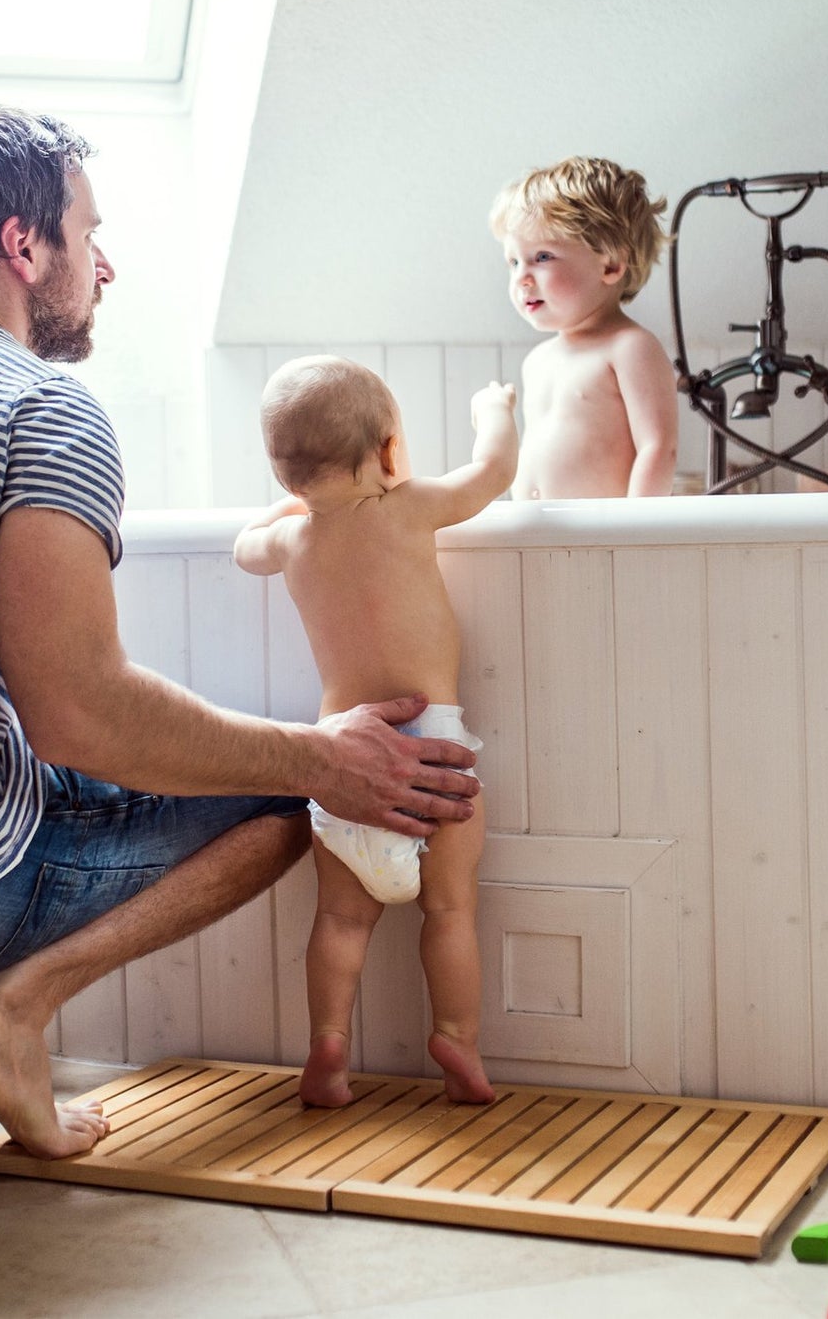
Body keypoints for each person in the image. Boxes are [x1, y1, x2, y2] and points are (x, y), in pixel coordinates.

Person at [0, 95, 481, 1160]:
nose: (105, 265)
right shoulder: (35, 403)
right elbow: (77, 712)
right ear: (22, 244)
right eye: (90, 235)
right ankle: (4, 1009)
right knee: (286, 779)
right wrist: (321, 756)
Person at [234, 356, 517, 1106]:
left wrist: (290, 506)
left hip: (343, 763)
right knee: (450, 907)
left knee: (339, 919)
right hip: (433, 754)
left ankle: (328, 1047)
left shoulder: (293, 541)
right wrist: (495, 410)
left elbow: (241, 547)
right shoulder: (411, 505)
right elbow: (492, 474)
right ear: (391, 452)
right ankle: (456, 1037)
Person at [490, 156, 678, 499]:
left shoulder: (629, 347)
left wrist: (634, 531)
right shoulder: (537, 360)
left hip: (602, 536)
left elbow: (657, 447)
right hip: (535, 533)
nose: (522, 278)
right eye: (513, 262)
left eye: (542, 257)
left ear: (610, 264)